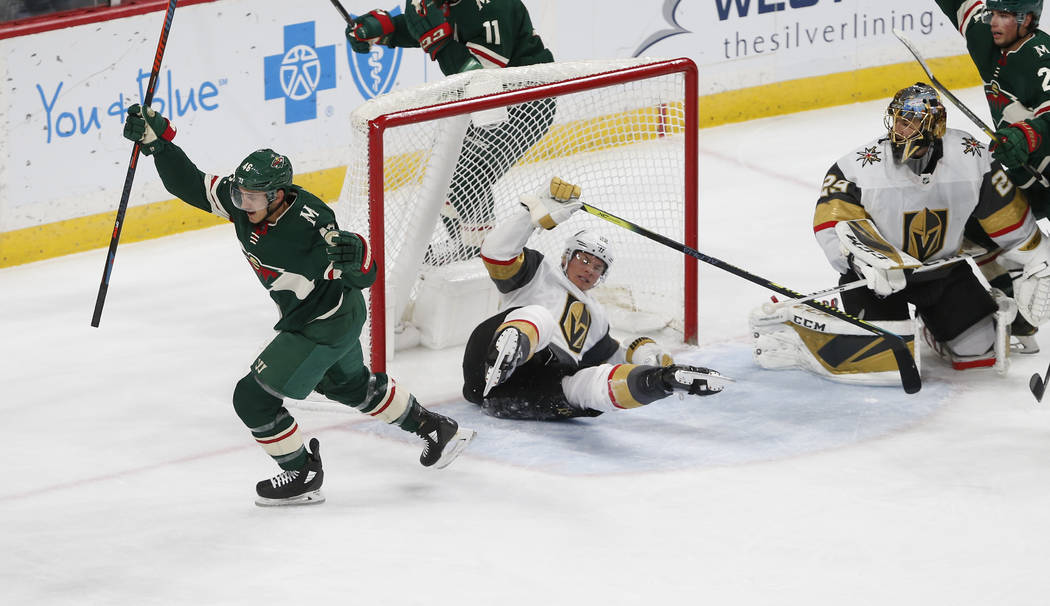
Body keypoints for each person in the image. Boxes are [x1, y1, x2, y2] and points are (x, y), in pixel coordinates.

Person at [121, 104, 475, 506]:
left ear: (277, 196)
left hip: (323, 322)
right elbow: (192, 184)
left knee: (252, 399)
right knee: (350, 385)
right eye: (239, 192)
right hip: (327, 315)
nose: (242, 202)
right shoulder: (244, 204)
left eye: (252, 196)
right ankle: (435, 428)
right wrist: (159, 145)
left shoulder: (309, 227)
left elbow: (361, 275)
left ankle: (302, 471)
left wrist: (360, 260)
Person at [756, 83, 1050, 380]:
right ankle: (811, 336)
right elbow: (832, 223)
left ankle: (933, 326)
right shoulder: (858, 166)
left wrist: (1039, 260)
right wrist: (864, 263)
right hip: (876, 283)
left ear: (934, 126)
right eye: (898, 119)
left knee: (981, 353)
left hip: (943, 272)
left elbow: (1007, 216)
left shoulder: (971, 157)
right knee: (883, 366)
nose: (900, 127)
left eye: (911, 121)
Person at [459, 177, 726, 421]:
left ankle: (662, 382)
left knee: (586, 388)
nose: (589, 269)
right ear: (566, 257)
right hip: (484, 361)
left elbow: (614, 358)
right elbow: (495, 252)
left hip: (520, 396)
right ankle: (507, 354)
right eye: (584, 259)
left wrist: (641, 352)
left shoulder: (597, 318)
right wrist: (530, 216)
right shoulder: (539, 271)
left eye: (598, 267)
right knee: (540, 318)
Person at [346, 0, 556, 263]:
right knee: (445, 174)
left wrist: (439, 42)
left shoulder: (496, 6)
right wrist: (386, 30)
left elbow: (479, 80)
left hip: (526, 101)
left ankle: (481, 254)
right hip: (484, 102)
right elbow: (429, 25)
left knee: (465, 177)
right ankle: (467, 245)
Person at [934, 0, 1050, 350]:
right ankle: (1022, 318)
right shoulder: (988, 37)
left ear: (1027, 19)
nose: (995, 23)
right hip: (1028, 176)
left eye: (1005, 16)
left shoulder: (1039, 56)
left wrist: (1027, 134)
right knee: (970, 225)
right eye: (992, 14)